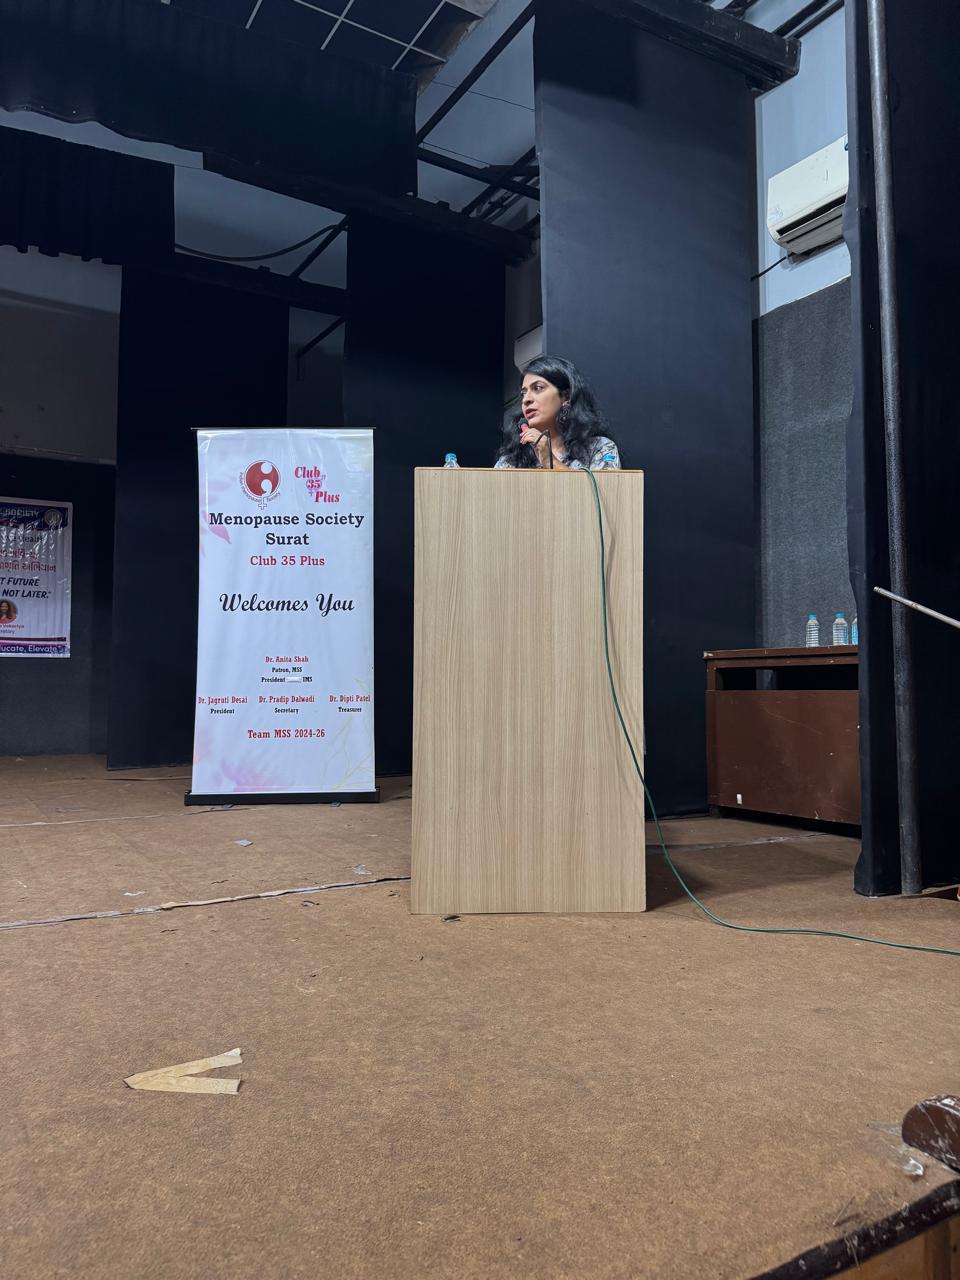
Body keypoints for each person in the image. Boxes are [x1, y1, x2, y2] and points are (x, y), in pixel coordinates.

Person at [494, 355, 621, 471]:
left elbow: (602, 489)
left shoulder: (599, 448)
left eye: (538, 388)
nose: (526, 399)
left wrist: (550, 461)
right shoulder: (510, 461)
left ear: (566, 397)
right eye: (523, 393)